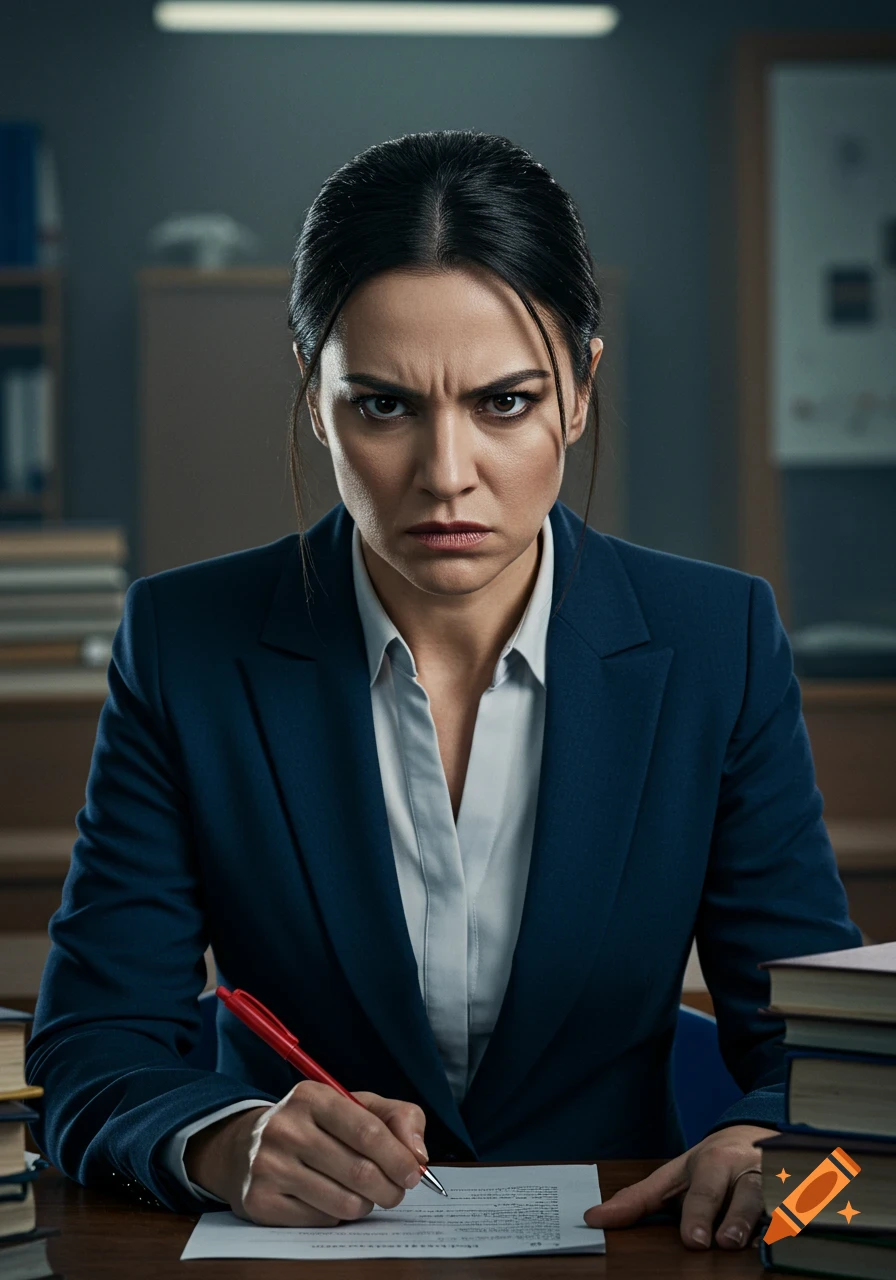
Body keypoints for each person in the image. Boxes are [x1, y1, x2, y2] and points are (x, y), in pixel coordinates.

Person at [26, 129, 862, 1253]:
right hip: (300, 1258)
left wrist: (776, 1146)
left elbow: (831, 1059)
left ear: (579, 391)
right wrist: (224, 1138)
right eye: (383, 406)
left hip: (626, 1254)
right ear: (313, 396)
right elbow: (91, 1044)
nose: (446, 473)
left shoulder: (718, 642)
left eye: (504, 402)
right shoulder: (186, 646)